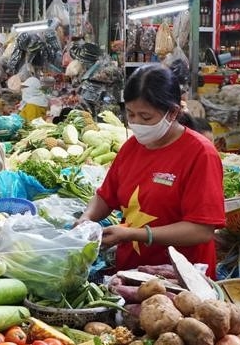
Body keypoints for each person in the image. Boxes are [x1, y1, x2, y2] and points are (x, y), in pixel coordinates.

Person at [77, 64, 225, 278]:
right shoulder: (132, 147)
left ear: (173, 112)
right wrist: (87, 218)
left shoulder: (200, 154)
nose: (136, 123)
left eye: (146, 117)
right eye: (130, 114)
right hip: (131, 274)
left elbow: (202, 230)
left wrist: (134, 234)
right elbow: (106, 196)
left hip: (182, 280)